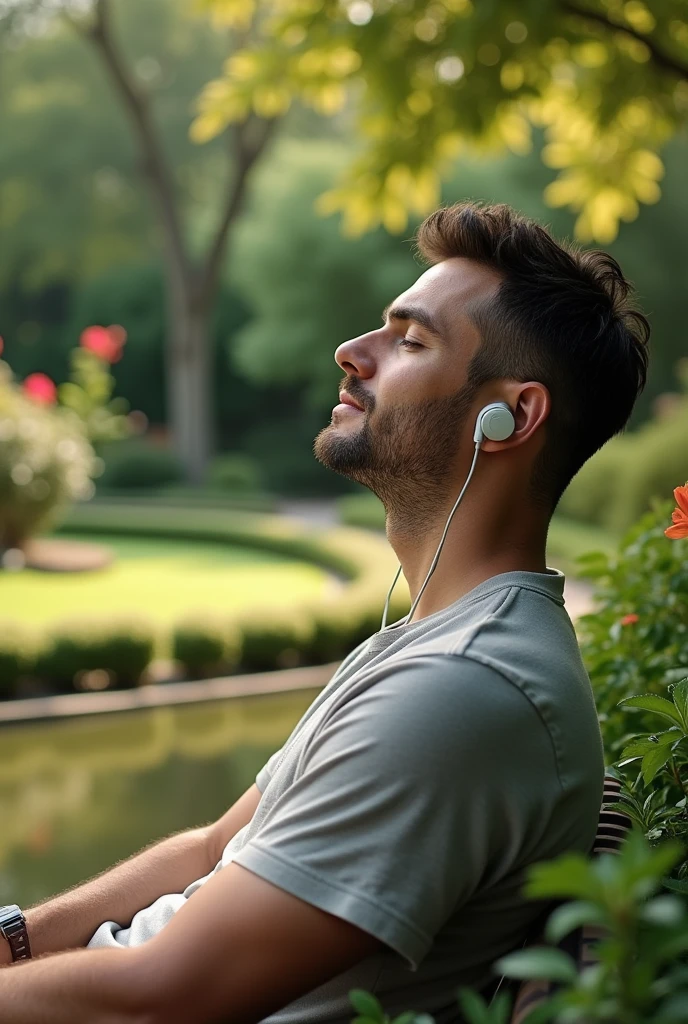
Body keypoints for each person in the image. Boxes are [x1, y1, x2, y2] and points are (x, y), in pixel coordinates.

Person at [0, 202, 649, 1024]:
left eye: (411, 340)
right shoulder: (428, 641)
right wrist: (17, 938)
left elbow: (164, 1000)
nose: (352, 351)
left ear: (511, 417)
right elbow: (210, 848)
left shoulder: (464, 690)